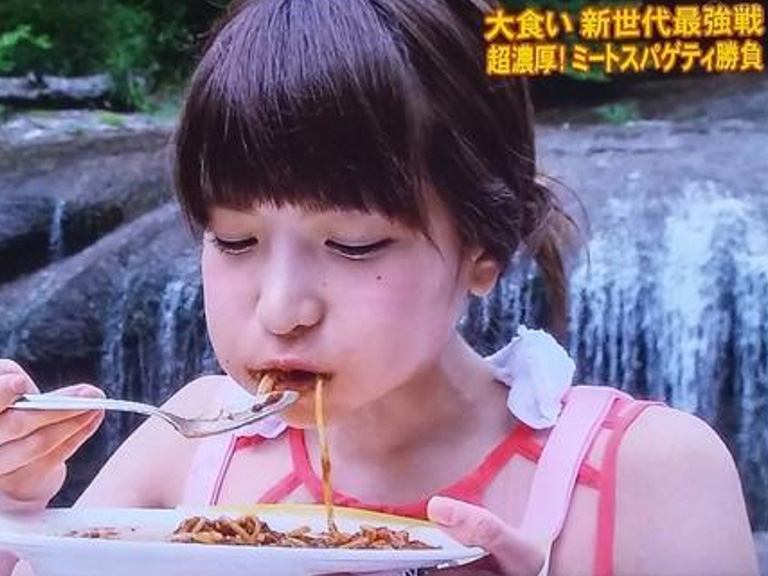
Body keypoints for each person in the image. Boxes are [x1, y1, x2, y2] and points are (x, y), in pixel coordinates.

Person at [0, 0, 760, 574]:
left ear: (484, 247)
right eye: (235, 240)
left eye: (354, 244)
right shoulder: (189, 445)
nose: (282, 308)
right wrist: (17, 507)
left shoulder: (646, 478)